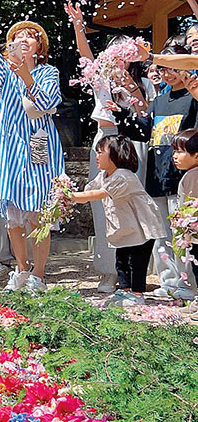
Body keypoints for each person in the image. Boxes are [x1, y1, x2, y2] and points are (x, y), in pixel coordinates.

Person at [0, 20, 64, 294]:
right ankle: (21, 269)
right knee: (12, 214)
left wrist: (27, 76)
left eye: (29, 37)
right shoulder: (6, 72)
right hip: (9, 147)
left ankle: (39, 274)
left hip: (38, 144)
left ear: (39, 47)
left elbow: (47, 103)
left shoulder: (48, 72)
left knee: (38, 211)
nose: (23, 40)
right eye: (17, 37)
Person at [64, 2, 152, 293]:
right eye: (117, 55)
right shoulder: (100, 80)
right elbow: (86, 57)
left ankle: (134, 273)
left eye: (126, 56)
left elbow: (146, 115)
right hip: (105, 140)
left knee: (130, 206)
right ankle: (108, 271)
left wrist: (132, 88)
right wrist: (79, 25)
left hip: (131, 145)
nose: (121, 61)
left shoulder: (144, 82)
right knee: (104, 209)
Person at [71, 135, 165, 306]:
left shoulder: (124, 176)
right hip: (125, 227)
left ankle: (137, 294)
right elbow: (89, 190)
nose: (96, 156)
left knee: (137, 261)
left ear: (116, 154)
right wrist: (69, 191)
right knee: (121, 260)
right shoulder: (104, 175)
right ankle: (124, 290)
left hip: (141, 226)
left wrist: (72, 197)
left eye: (100, 152)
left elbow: (97, 194)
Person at [141, 44, 198, 300]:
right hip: (156, 175)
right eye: (163, 67)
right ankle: (168, 281)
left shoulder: (193, 97)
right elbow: (144, 130)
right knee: (160, 235)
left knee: (183, 232)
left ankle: (188, 284)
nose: (168, 72)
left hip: (183, 178)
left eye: (174, 66)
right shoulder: (160, 99)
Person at [172, 129, 198, 316]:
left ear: (196, 155)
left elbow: (191, 207)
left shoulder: (192, 175)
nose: (175, 156)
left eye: (181, 151)